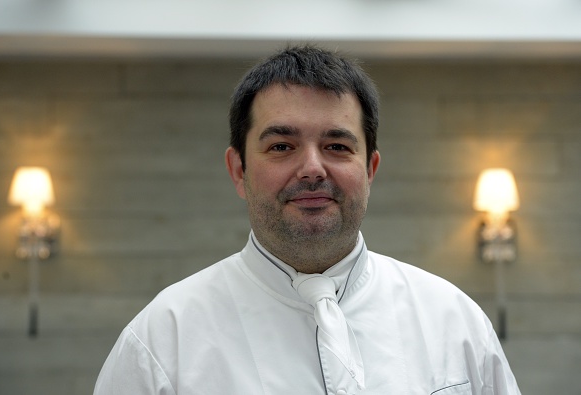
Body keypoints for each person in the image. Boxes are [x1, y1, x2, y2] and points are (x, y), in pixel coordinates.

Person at [94, 45, 521, 395]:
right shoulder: (162, 340)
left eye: (337, 146)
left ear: (370, 169)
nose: (313, 168)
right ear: (238, 170)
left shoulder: (454, 322)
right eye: (282, 146)